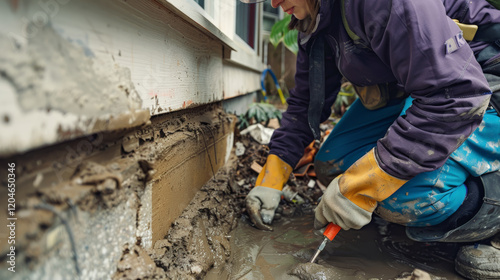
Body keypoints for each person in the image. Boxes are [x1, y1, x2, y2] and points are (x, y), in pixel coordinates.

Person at [241, 0, 500, 279]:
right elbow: (305, 104)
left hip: (475, 90)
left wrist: (365, 186)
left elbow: (456, 96)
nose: (273, 2)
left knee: (405, 198)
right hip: (420, 91)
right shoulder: (316, 18)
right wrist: (271, 178)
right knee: (334, 164)